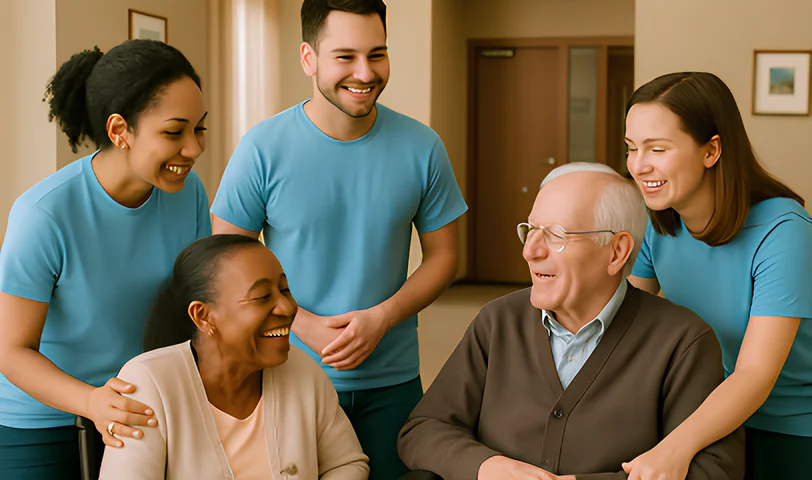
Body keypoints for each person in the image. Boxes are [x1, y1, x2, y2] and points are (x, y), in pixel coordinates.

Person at [209, 1, 467, 478]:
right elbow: (225, 260)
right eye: (345, 56)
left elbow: (445, 257)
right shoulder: (262, 147)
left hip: (393, 382)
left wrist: (383, 316)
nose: (364, 72)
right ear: (309, 58)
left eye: (377, 54)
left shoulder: (423, 147)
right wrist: (298, 323)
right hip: (283, 373)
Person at [396, 163, 745, 480]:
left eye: (556, 235)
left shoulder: (683, 342)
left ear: (617, 252)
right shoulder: (498, 321)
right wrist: (489, 467)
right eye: (530, 230)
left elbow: (713, 470)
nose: (530, 251)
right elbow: (423, 429)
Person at [0, 39, 211, 479]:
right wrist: (90, 401)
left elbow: (192, 308)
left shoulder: (189, 194)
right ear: (120, 131)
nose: (192, 149)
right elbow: (11, 350)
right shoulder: (43, 214)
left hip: (144, 409)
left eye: (200, 128)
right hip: (42, 424)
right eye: (175, 132)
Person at [622, 72, 812, 480]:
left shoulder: (785, 230)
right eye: (631, 148)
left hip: (786, 426)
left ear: (711, 150)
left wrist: (674, 448)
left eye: (657, 148)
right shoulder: (658, 226)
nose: (639, 165)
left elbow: (754, 374)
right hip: (698, 407)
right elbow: (624, 321)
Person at [98, 234, 369, 479]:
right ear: (203, 316)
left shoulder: (303, 371)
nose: (287, 307)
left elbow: (346, 464)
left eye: (284, 290)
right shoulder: (148, 383)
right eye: (262, 296)